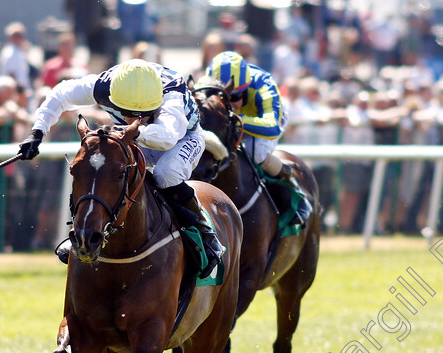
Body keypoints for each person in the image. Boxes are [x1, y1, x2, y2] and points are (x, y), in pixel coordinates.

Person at [18, 58, 224, 277]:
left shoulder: (171, 95)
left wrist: (129, 130)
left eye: (145, 112)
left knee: (166, 175)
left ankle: (206, 234)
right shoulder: (102, 85)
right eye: (129, 112)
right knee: (101, 168)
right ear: (113, 99)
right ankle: (82, 233)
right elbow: (60, 95)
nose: (138, 118)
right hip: (134, 138)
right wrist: (37, 132)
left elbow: (167, 137)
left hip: (182, 139)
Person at [205, 50, 312, 225]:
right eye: (222, 97)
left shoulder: (264, 84)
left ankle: (292, 187)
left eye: (235, 96)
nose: (229, 103)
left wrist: (236, 120)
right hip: (232, 120)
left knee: (256, 153)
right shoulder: (205, 83)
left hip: (265, 118)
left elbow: (272, 127)